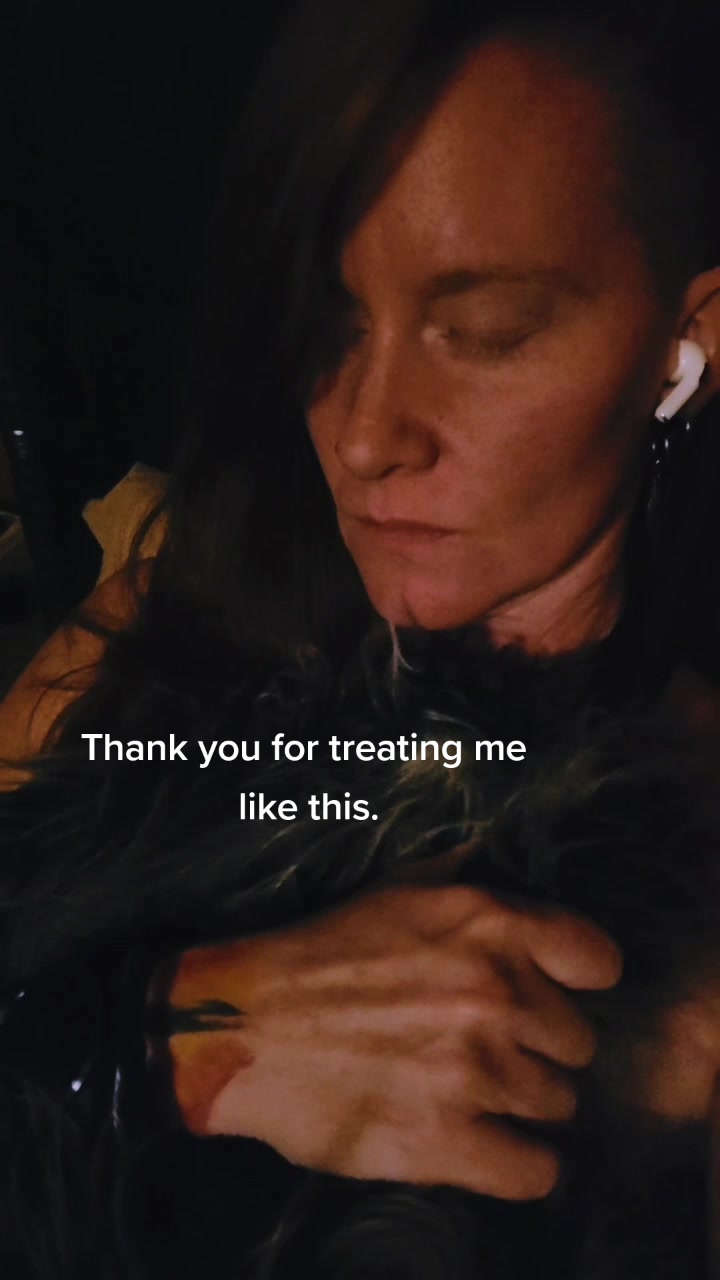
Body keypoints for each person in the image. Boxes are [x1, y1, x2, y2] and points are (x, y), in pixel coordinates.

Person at [2, 0, 720, 1217]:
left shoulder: (692, 895)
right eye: (327, 325)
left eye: (485, 333)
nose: (365, 434)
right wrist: (163, 1037)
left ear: (683, 343)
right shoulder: (175, 606)